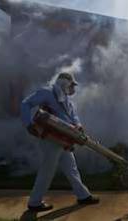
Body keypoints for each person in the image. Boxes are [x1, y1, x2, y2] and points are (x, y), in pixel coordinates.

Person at [20, 72, 99, 212]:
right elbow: (25, 104)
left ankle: (83, 196)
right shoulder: (46, 92)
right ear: (64, 83)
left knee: (72, 169)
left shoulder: (68, 101)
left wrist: (78, 126)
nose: (73, 88)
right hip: (51, 139)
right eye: (71, 85)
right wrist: (28, 124)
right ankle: (34, 202)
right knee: (47, 170)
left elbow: (73, 117)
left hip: (64, 139)